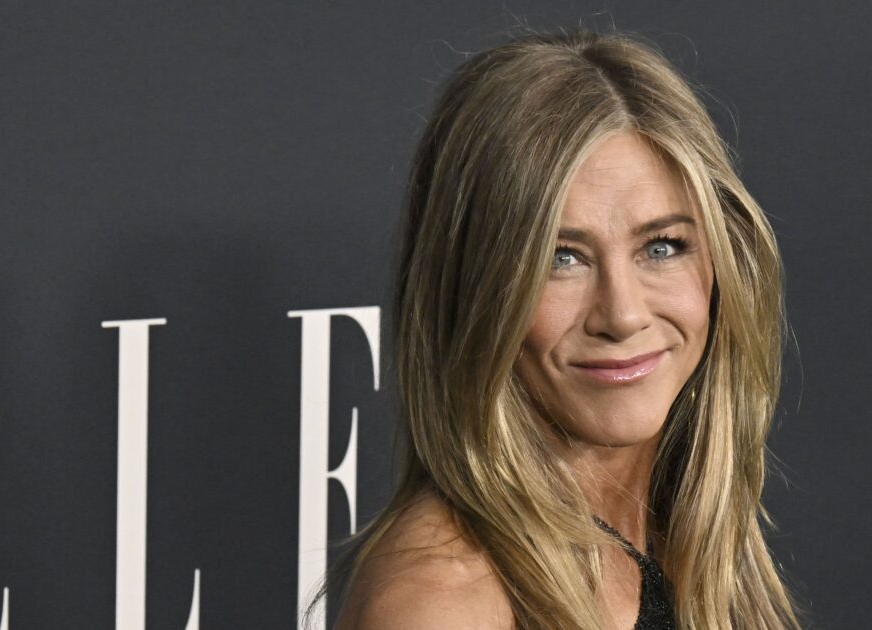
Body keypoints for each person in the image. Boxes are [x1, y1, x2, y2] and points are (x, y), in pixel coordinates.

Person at [312, 27, 804, 630]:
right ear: (473, 293)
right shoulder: (441, 602)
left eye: (662, 247)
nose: (622, 314)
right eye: (560, 257)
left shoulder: (681, 534)